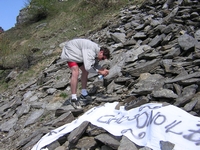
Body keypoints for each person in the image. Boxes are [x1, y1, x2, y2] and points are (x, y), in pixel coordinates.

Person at [61, 38, 110, 109]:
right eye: (102, 58)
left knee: (85, 71)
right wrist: (100, 71)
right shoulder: (91, 50)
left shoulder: (96, 51)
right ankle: (73, 98)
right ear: (101, 52)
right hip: (71, 51)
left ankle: (84, 93)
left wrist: (103, 70)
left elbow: (94, 64)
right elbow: (88, 67)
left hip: (79, 53)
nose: (101, 60)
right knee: (76, 71)